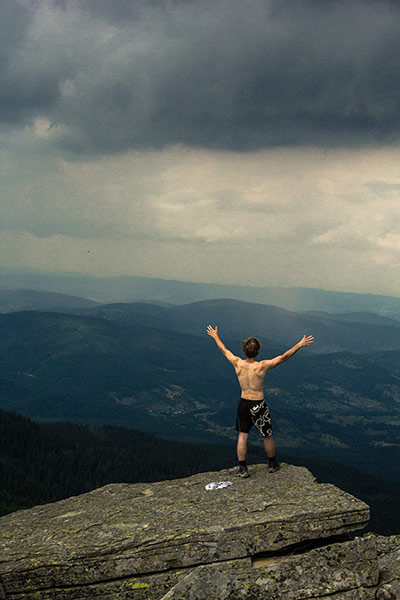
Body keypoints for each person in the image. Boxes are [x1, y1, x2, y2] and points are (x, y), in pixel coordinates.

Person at [206, 325, 314, 477]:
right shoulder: (262, 366)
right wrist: (299, 344)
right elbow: (283, 357)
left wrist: (215, 336)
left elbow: (224, 350)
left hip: (243, 403)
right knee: (267, 435)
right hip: (258, 405)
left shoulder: (238, 363)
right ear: (258, 351)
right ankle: (272, 464)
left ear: (244, 351)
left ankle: (242, 468)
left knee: (243, 435)